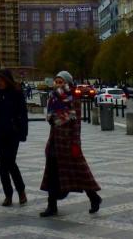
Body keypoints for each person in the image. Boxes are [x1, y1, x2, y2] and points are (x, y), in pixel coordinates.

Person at [40, 70, 101, 217]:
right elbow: (50, 120)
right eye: (57, 81)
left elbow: (76, 124)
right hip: (55, 142)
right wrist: (53, 118)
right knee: (52, 174)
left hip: (68, 143)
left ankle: (94, 197)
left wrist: (75, 144)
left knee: (80, 173)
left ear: (68, 83)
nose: (58, 84)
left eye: (61, 82)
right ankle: (51, 205)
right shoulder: (53, 98)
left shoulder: (73, 98)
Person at [0, 69, 28, 206]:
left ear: (7, 80)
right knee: (2, 164)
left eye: (1, 81)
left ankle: (21, 190)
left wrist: (23, 133)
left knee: (10, 162)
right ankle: (8, 194)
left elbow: (23, 114)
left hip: (13, 132)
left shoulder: (17, 93)